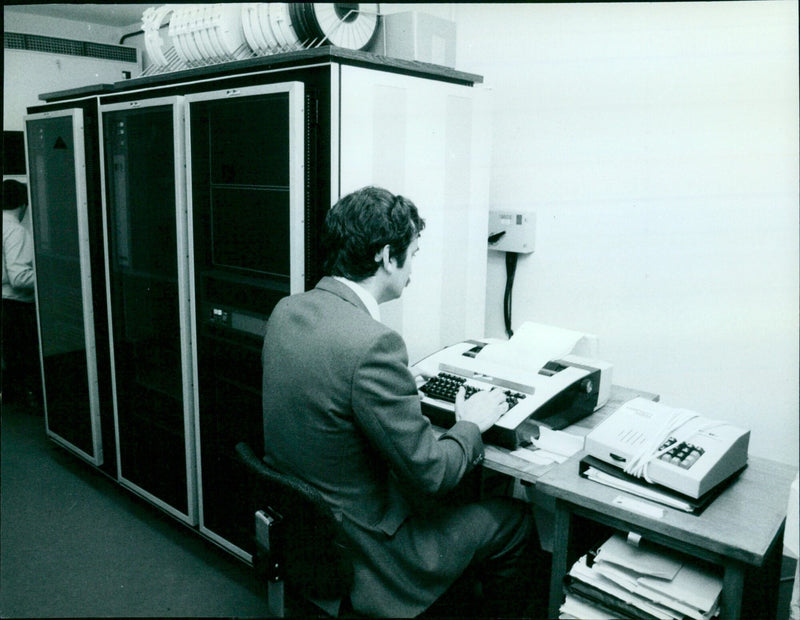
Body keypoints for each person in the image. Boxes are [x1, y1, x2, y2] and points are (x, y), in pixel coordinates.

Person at [261, 186, 546, 617]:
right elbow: (431, 474)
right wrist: (471, 423)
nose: (412, 267)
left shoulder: (287, 311)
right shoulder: (374, 345)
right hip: (372, 552)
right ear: (387, 256)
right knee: (515, 522)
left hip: (315, 534)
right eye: (411, 253)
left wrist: (394, 392)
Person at [2, 179, 41, 410]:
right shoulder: (16, 231)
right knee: (27, 356)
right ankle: (32, 402)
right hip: (16, 306)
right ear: (24, 205)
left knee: (12, 356)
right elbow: (18, 277)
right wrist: (47, 278)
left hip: (4, 303)